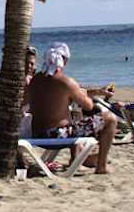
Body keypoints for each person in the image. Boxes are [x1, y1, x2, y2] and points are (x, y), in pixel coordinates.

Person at [26, 42, 117, 174]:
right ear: (65, 60)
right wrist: (83, 93)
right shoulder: (66, 82)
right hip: (58, 136)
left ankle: (79, 158)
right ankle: (101, 167)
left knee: (73, 118)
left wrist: (95, 91)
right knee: (110, 119)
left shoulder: (35, 80)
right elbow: (88, 105)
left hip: (37, 133)